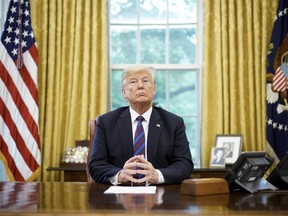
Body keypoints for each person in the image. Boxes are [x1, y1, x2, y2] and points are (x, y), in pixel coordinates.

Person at [89, 65, 194, 185]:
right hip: (118, 194)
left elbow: (185, 164)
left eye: (145, 81)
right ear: (124, 93)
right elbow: (96, 164)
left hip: (162, 195)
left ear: (153, 90)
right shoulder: (107, 122)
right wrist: (120, 175)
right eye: (133, 82)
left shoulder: (174, 123)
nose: (140, 86)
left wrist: (157, 175)